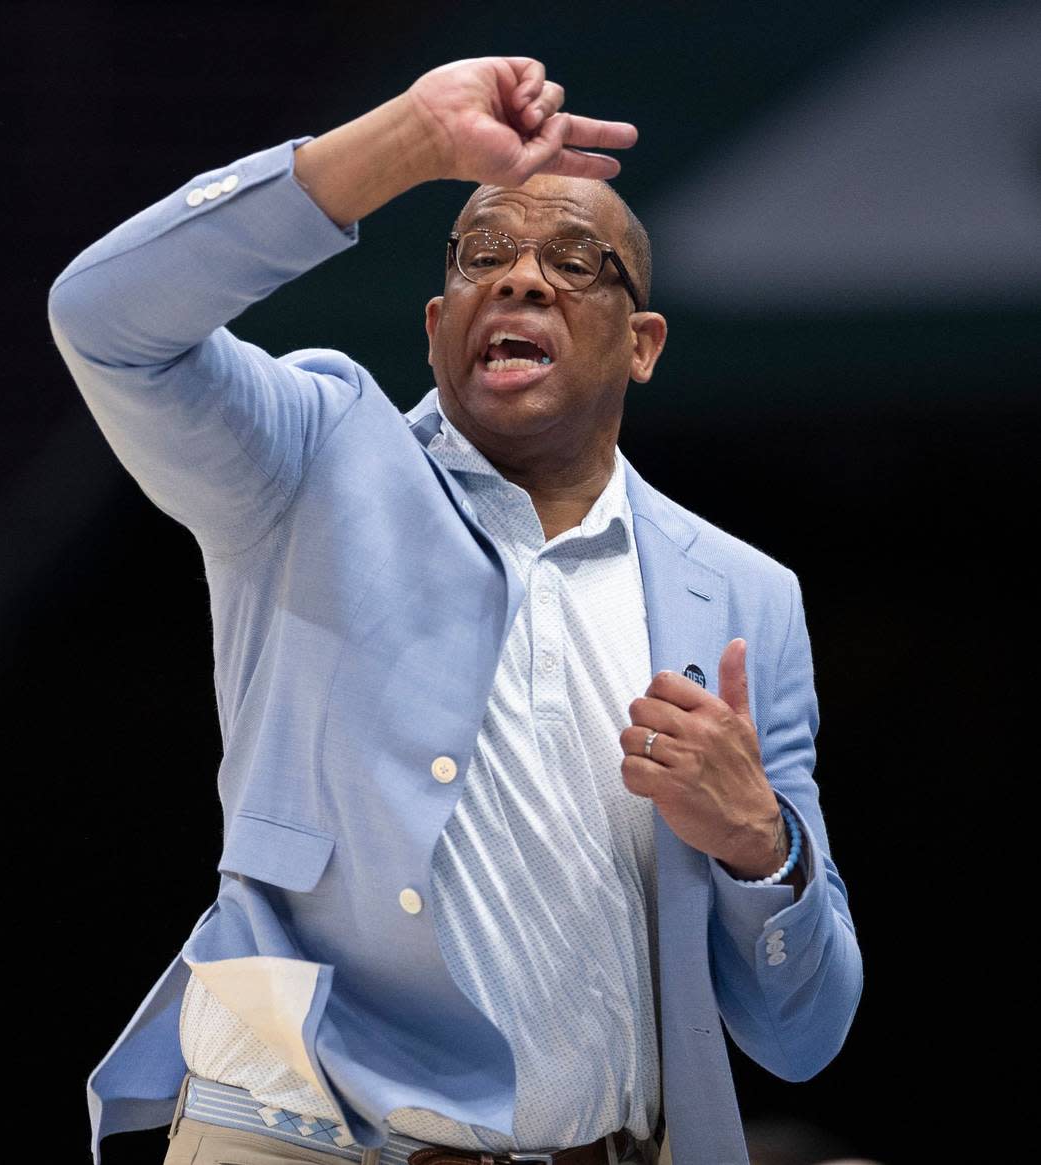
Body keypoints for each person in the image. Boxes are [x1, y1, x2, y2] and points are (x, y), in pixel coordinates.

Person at [49, 56, 862, 1165]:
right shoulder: (309, 464)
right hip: (306, 1140)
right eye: (485, 255)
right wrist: (405, 144)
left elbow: (805, 1030)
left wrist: (759, 848)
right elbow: (104, 318)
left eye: (576, 261)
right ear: (438, 325)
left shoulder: (743, 598)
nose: (521, 279)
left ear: (643, 342)